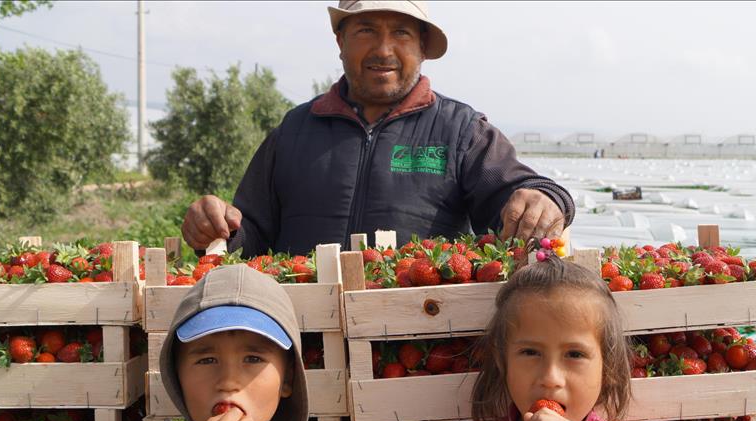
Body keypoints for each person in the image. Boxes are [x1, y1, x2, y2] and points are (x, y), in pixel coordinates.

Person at [181, 0, 575, 258]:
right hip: (303, 346)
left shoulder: (461, 132)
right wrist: (216, 226)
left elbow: (516, 193)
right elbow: (250, 231)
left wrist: (545, 199)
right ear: (340, 41)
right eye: (366, 30)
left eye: (401, 33)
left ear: (422, 47)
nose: (384, 50)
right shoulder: (294, 131)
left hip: (423, 349)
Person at [427, 257, 687, 421]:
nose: (551, 378)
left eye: (574, 354)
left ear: (606, 368)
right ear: (501, 360)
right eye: (530, 352)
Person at [111, 264, 352, 421]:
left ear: (288, 379)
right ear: (177, 377)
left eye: (253, 359)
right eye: (206, 360)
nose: (228, 382)